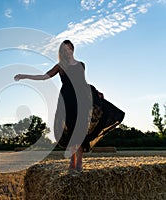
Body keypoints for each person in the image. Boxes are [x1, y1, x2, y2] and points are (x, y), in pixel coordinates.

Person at [14, 40, 124, 172]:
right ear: (62, 52)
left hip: (82, 98)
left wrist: (95, 91)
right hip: (67, 100)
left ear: (73, 49)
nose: (68, 52)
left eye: (69, 49)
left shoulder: (81, 65)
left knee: (82, 129)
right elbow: (44, 77)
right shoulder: (60, 66)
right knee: (72, 128)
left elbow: (83, 82)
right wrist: (25, 75)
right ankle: (72, 161)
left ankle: (79, 164)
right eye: (65, 50)